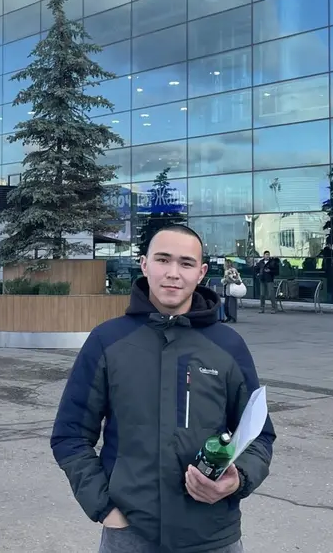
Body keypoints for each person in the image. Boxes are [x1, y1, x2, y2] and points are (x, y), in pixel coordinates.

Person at [51, 225, 275, 553]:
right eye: (163, 259)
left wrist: (238, 478)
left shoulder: (228, 346)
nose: (173, 273)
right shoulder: (108, 341)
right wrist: (104, 507)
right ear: (144, 265)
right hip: (130, 535)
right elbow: (69, 436)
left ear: (201, 273)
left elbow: (260, 436)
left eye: (186, 263)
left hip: (214, 536)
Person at [222, 259, 243, 324]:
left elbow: (234, 279)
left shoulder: (231, 271)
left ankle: (232, 317)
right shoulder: (228, 271)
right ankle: (230, 317)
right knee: (228, 304)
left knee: (230, 304)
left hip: (232, 289)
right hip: (229, 289)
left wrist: (226, 280)